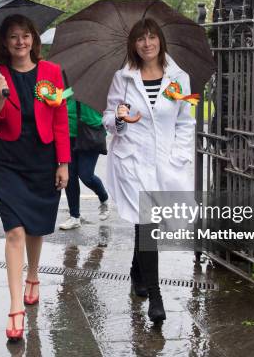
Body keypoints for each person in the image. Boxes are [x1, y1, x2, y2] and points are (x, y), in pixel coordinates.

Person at [0, 14, 70, 341]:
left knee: (36, 225)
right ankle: (15, 306)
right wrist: (0, 96)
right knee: (15, 231)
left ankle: (34, 274)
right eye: (13, 37)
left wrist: (64, 162)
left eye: (25, 35)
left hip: (43, 161)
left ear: (34, 38)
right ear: (4, 42)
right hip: (7, 162)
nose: (20, 42)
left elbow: (60, 118)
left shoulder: (52, 73)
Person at [102, 18, 196, 324]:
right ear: (134, 45)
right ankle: (156, 297)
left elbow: (185, 121)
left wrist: (179, 156)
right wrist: (117, 117)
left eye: (151, 37)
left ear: (160, 41)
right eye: (140, 39)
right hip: (131, 160)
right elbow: (108, 117)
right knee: (147, 223)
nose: (146, 44)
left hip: (164, 162)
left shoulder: (178, 79)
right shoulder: (123, 78)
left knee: (148, 224)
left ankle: (136, 271)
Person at [59, 98, 110, 230]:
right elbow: (59, 100)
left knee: (86, 175)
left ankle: (103, 198)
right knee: (69, 176)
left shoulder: (94, 87)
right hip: (68, 133)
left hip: (90, 132)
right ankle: (74, 216)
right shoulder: (68, 86)